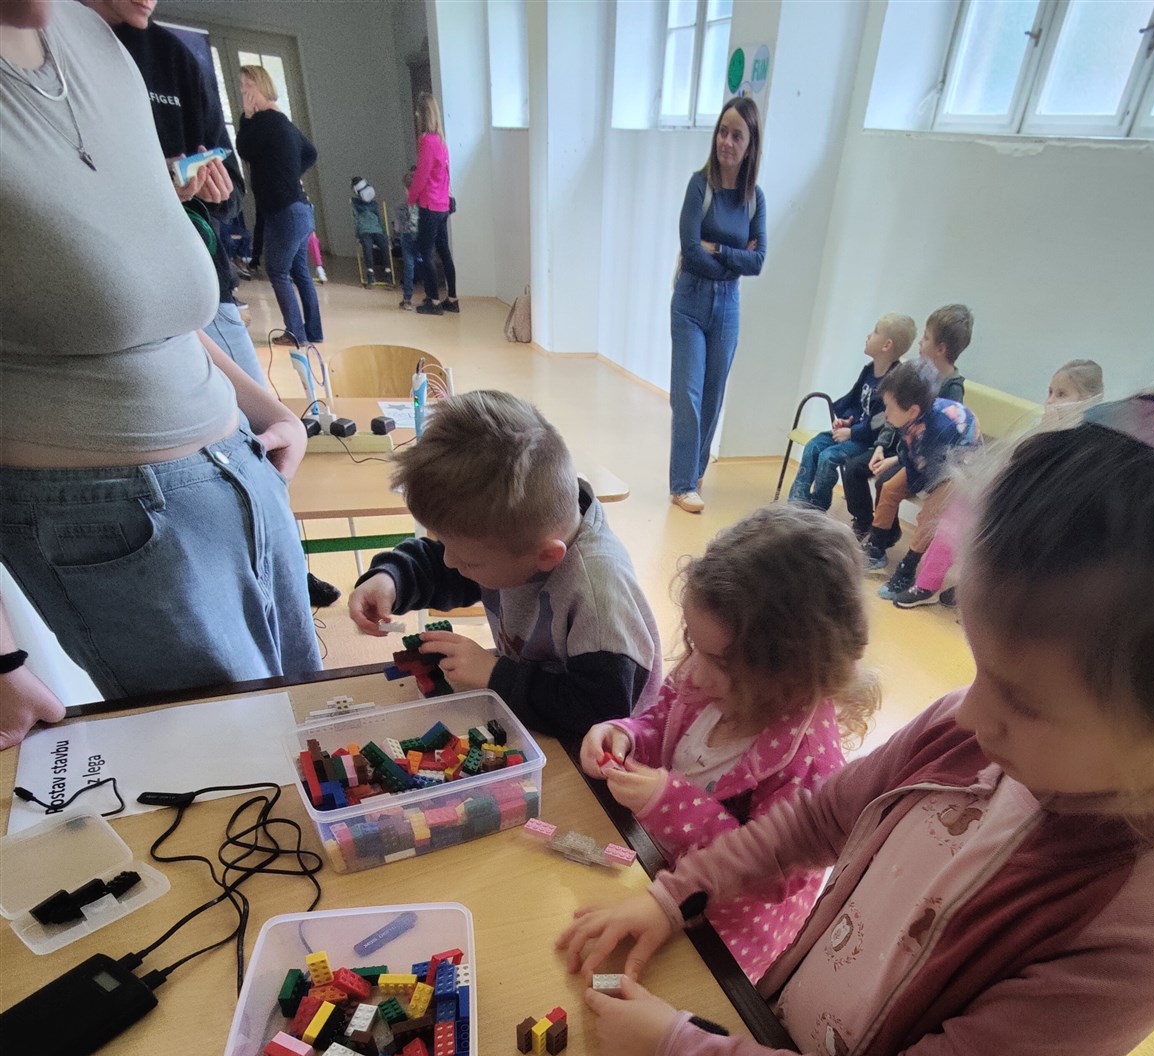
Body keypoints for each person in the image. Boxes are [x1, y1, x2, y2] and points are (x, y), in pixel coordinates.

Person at [559, 368, 1154, 1056]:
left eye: (1022, 699)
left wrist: (681, 1055)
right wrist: (670, 897)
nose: (967, 714)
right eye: (978, 667)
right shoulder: (974, 725)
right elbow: (815, 822)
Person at [0, 0, 321, 725]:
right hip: (115, 517)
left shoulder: (97, 43)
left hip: (240, 469)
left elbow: (151, 304)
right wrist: (2, 660)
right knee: (232, 756)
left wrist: (265, 409)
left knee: (304, 721)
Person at [579, 507, 877, 979]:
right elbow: (661, 723)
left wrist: (669, 803)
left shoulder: (808, 763)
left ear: (790, 672)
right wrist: (626, 736)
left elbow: (771, 872)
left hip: (724, 933)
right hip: (656, 874)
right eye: (693, 645)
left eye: (718, 662)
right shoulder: (707, 679)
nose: (694, 672)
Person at [347, 391, 661, 741]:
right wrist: (392, 579)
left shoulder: (598, 597)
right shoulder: (515, 537)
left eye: (467, 560)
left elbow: (600, 712)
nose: (449, 560)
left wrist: (495, 674)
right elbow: (446, 565)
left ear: (546, 557)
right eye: (445, 544)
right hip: (540, 712)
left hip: (609, 749)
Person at [85, 0, 263, 384]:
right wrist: (151, 186)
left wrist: (215, 190)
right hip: (101, 292)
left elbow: (233, 190)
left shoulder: (174, 58)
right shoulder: (50, 47)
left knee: (252, 412)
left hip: (198, 282)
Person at [896, 358, 1105, 611]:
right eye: (1050, 392)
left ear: (1089, 401)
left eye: (1061, 394)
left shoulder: (1086, 445)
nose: (1050, 401)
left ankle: (976, 592)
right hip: (1011, 503)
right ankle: (929, 585)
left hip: (1040, 520)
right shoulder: (1041, 429)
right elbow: (1011, 464)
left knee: (993, 534)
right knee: (958, 513)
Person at [669, 97, 766, 514]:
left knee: (713, 396)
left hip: (728, 307)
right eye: (722, 132)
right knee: (688, 394)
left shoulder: (754, 198)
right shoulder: (699, 186)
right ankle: (682, 483)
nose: (727, 141)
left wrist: (720, 250)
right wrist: (734, 258)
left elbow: (758, 261)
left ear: (750, 144)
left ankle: (695, 470)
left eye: (737, 135)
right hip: (690, 301)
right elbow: (691, 251)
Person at [863, 359, 979, 599]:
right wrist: (896, 462)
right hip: (927, 460)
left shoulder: (938, 429)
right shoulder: (910, 418)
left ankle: (907, 568)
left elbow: (934, 475)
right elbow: (912, 450)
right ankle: (876, 548)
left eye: (889, 407)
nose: (886, 413)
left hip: (958, 471)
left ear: (912, 411)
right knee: (889, 487)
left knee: (928, 515)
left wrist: (924, 493)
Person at [788, 313, 915, 522]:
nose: (868, 336)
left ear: (887, 345)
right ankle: (797, 503)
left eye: (875, 332)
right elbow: (856, 403)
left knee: (828, 457)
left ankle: (816, 511)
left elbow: (881, 422)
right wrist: (848, 420)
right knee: (814, 446)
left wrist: (852, 432)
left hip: (868, 442)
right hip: (854, 432)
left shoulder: (894, 381)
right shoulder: (869, 371)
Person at [236, 63, 322, 348]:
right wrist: (290, 174)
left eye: (248, 87)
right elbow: (310, 153)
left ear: (261, 87)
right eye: (242, 88)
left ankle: (296, 333)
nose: (244, 93)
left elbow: (243, 149)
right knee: (300, 273)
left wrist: (247, 116)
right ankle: (313, 332)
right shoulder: (283, 120)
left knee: (277, 272)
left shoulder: (263, 121)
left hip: (285, 212)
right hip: (301, 209)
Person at [408, 94, 458, 316]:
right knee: (444, 251)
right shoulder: (441, 140)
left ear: (422, 114)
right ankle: (452, 299)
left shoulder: (427, 141)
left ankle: (434, 301)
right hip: (442, 206)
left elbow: (421, 175)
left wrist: (411, 199)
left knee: (425, 252)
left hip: (429, 205)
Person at [351, 176, 391, 285]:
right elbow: (356, 219)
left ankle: (388, 273)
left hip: (377, 230)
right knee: (367, 246)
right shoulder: (355, 203)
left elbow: (379, 219)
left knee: (384, 245)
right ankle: (370, 273)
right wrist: (357, 235)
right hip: (364, 231)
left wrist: (384, 233)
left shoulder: (374, 204)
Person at [393, 171, 418, 311]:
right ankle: (431, 297)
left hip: (407, 236)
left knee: (409, 266)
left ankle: (407, 299)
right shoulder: (422, 203)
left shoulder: (400, 206)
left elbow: (398, 228)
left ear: (405, 188)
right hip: (421, 236)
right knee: (427, 264)